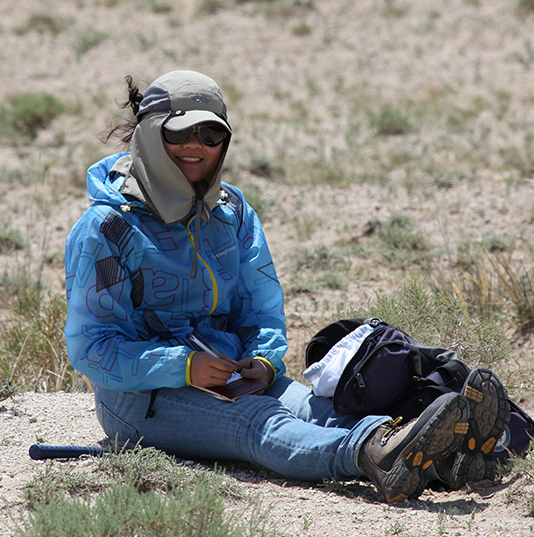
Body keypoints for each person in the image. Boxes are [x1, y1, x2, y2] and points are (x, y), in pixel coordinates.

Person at [63, 69, 509, 502]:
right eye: (179, 134)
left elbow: (260, 311)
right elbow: (93, 348)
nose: (195, 146)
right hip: (138, 400)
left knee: (322, 410)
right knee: (257, 423)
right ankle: (372, 453)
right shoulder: (108, 228)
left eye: (210, 135)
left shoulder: (232, 213)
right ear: (150, 135)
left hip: (233, 376)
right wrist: (184, 366)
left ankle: (442, 459)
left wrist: (263, 360)